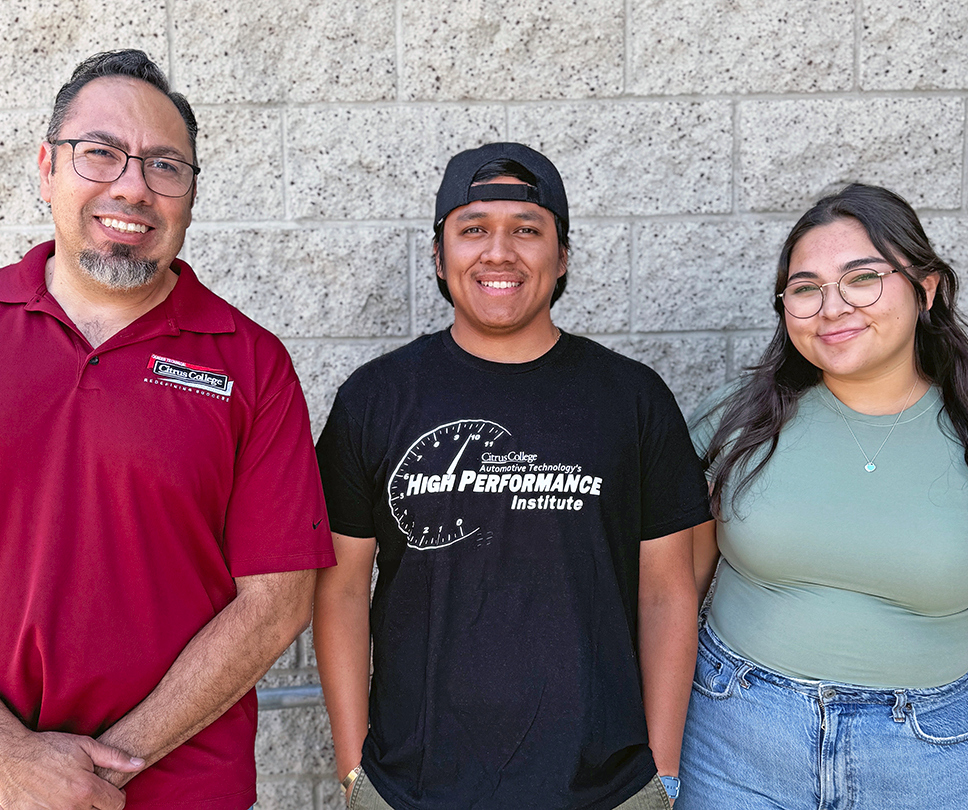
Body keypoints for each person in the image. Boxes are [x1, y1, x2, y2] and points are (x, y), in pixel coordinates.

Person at [314, 141, 711, 810]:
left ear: (562, 258)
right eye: (473, 230)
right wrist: (355, 773)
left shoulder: (632, 399)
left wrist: (662, 777)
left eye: (527, 230)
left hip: (603, 788)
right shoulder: (374, 400)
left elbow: (669, 594)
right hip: (411, 786)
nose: (499, 252)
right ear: (440, 257)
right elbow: (341, 590)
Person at [0, 50, 335, 809]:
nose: (132, 186)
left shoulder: (250, 364)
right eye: (100, 154)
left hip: (181, 789)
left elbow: (276, 603)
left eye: (164, 166)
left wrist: (105, 768)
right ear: (45, 167)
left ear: (189, 194)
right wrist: (12, 760)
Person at [678, 183, 968, 809]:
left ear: (926, 289)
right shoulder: (736, 420)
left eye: (862, 278)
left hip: (934, 753)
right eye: (806, 288)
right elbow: (670, 585)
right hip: (734, 734)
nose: (832, 308)